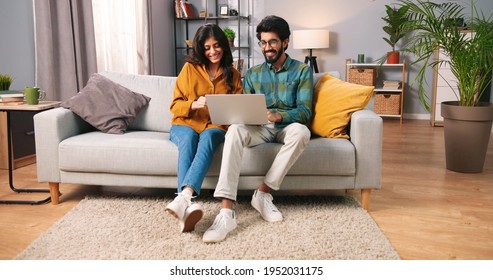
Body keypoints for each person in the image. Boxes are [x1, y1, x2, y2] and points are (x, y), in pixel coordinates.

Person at [203, 15, 313, 243]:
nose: (267, 48)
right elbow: (244, 107)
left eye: (272, 42)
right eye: (263, 43)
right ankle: (226, 212)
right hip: (259, 127)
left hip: (286, 125)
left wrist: (278, 115)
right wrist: (245, 116)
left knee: (302, 132)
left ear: (285, 42)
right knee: (234, 130)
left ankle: (262, 194)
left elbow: (305, 112)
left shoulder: (302, 71)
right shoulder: (252, 74)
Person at [166, 23, 242, 233]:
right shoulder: (189, 69)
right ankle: (186, 203)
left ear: (224, 46)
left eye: (216, 46)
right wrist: (193, 104)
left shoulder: (233, 75)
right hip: (185, 123)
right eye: (207, 47)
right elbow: (174, 106)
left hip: (216, 126)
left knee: (208, 138)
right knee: (189, 139)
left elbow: (237, 110)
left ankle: (183, 199)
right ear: (201, 49)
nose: (212, 51)